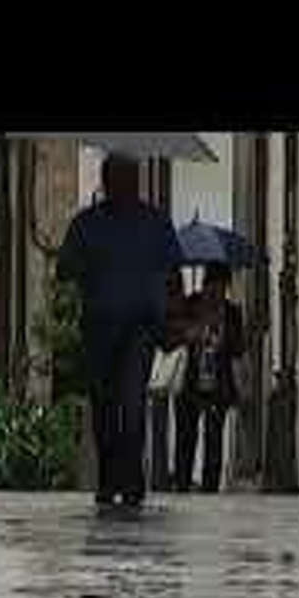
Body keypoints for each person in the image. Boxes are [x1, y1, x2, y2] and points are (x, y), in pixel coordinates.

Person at [56, 153, 184, 508]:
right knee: (104, 409)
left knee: (130, 404)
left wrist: (173, 313)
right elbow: (65, 270)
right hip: (98, 330)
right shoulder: (86, 224)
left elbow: (172, 270)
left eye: (130, 179)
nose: (125, 186)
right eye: (119, 179)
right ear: (107, 182)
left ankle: (130, 479)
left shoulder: (155, 222)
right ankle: (110, 475)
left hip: (139, 329)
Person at [173, 263, 246, 494]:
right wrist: (193, 331)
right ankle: (183, 483)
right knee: (186, 436)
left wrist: (223, 338)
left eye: (220, 286)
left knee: (214, 439)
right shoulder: (190, 304)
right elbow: (174, 335)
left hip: (218, 383)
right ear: (205, 284)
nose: (215, 292)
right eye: (211, 285)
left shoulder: (232, 312)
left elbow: (238, 349)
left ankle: (210, 487)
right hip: (189, 381)